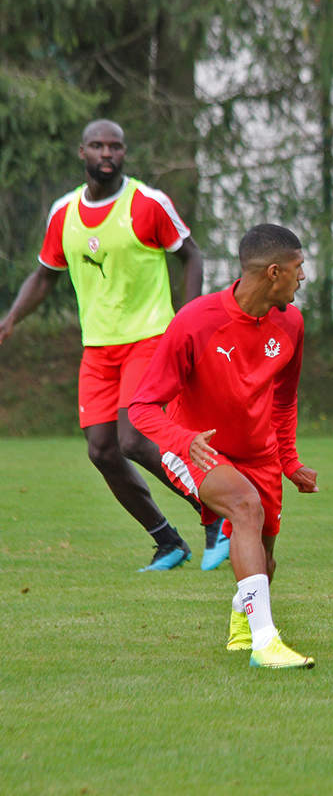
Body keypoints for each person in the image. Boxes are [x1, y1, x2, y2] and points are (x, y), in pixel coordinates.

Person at [0, 119, 229, 572]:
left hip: (150, 339)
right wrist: (9, 320)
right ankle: (168, 543)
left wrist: (191, 319)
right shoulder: (63, 213)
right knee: (102, 449)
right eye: (98, 146)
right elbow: (45, 275)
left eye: (116, 146)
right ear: (81, 152)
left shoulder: (147, 204)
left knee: (135, 437)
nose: (107, 154)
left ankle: (218, 515)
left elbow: (192, 255)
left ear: (125, 153)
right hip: (98, 349)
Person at [129, 223, 318, 669]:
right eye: (298, 268)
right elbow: (142, 407)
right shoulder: (195, 321)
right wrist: (184, 440)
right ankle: (266, 643)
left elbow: (284, 400)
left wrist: (289, 462)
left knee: (265, 562)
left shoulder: (291, 322)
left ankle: (241, 627)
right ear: (274, 272)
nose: (302, 277)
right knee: (245, 508)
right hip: (194, 449)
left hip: (260, 452)